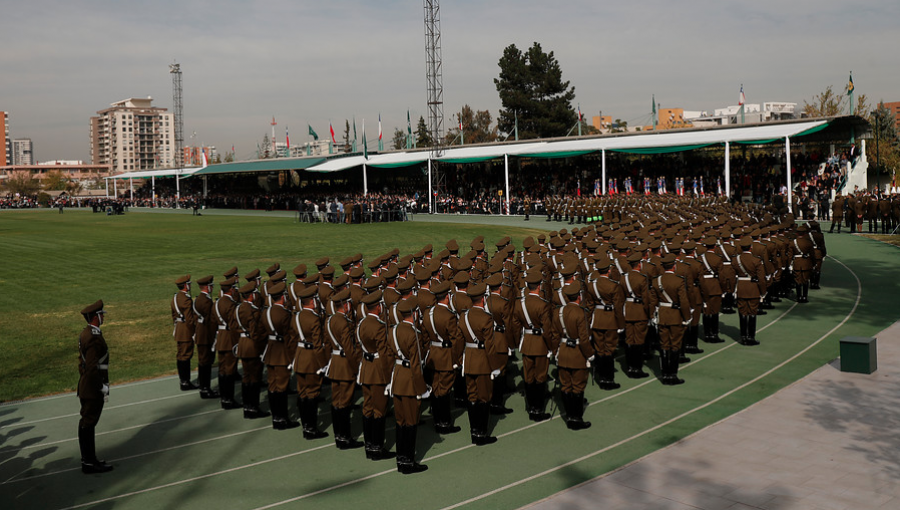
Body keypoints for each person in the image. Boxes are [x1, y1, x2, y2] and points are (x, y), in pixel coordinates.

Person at [389, 297, 430, 474]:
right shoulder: (414, 334)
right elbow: (416, 364)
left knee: (400, 421)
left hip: (397, 378)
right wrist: (422, 389)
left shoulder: (392, 330)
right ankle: (408, 461)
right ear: (413, 314)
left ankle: (401, 459)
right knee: (411, 421)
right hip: (410, 381)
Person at [356, 290, 396, 460]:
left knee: (368, 408)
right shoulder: (378, 326)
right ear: (378, 306)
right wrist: (390, 375)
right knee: (379, 410)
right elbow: (385, 353)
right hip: (378, 371)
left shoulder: (361, 324)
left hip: (366, 369)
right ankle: (377, 448)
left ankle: (369, 445)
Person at [460, 283, 500, 445]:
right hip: (482, 361)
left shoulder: (464, 316)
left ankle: (474, 431)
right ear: (483, 299)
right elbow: (490, 346)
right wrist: (495, 366)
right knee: (484, 398)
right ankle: (481, 433)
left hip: (469, 360)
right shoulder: (486, 318)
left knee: (472, 397)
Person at [78, 300, 113, 474]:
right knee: (88, 423)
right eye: (101, 315)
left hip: (87, 386)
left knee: (87, 422)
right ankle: (89, 462)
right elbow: (92, 367)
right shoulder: (92, 337)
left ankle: (89, 459)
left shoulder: (86, 333)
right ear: (95, 317)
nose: (103, 317)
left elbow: (82, 364)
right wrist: (101, 387)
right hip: (92, 389)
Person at [325, 289, 363, 449]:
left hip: (335, 363)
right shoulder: (345, 322)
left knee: (337, 401)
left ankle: (339, 436)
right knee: (345, 402)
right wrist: (357, 368)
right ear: (346, 304)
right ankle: (345, 437)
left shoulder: (329, 320)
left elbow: (327, 344)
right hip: (345, 365)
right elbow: (349, 348)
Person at [554, 282, 595, 430]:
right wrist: (590, 354)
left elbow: (554, 335)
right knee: (577, 387)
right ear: (579, 296)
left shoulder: (559, 312)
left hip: (563, 351)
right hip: (577, 353)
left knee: (565, 385)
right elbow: (584, 339)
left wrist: (555, 351)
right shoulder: (581, 313)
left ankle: (569, 416)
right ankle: (576, 418)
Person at [261, 282, 300, 430]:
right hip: (281, 352)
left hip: (270, 351)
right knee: (282, 387)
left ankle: (276, 417)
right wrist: (293, 356)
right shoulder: (284, 314)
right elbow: (289, 336)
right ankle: (283, 418)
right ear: (282, 297)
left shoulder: (266, 312)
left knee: (273, 386)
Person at [192, 275, 220, 399]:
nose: (212, 287)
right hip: (206, 335)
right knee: (206, 362)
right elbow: (211, 320)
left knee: (204, 361)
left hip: (201, 333)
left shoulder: (199, 299)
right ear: (207, 287)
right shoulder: (206, 301)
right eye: (211, 286)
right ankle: (205, 389)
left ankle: (204, 387)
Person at [171, 275, 199, 391]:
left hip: (179, 329)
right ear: (186, 285)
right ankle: (185, 382)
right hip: (186, 331)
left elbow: (173, 315)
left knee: (181, 355)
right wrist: (194, 332)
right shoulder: (186, 299)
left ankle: (183, 381)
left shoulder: (175, 297)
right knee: (186, 355)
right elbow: (189, 319)